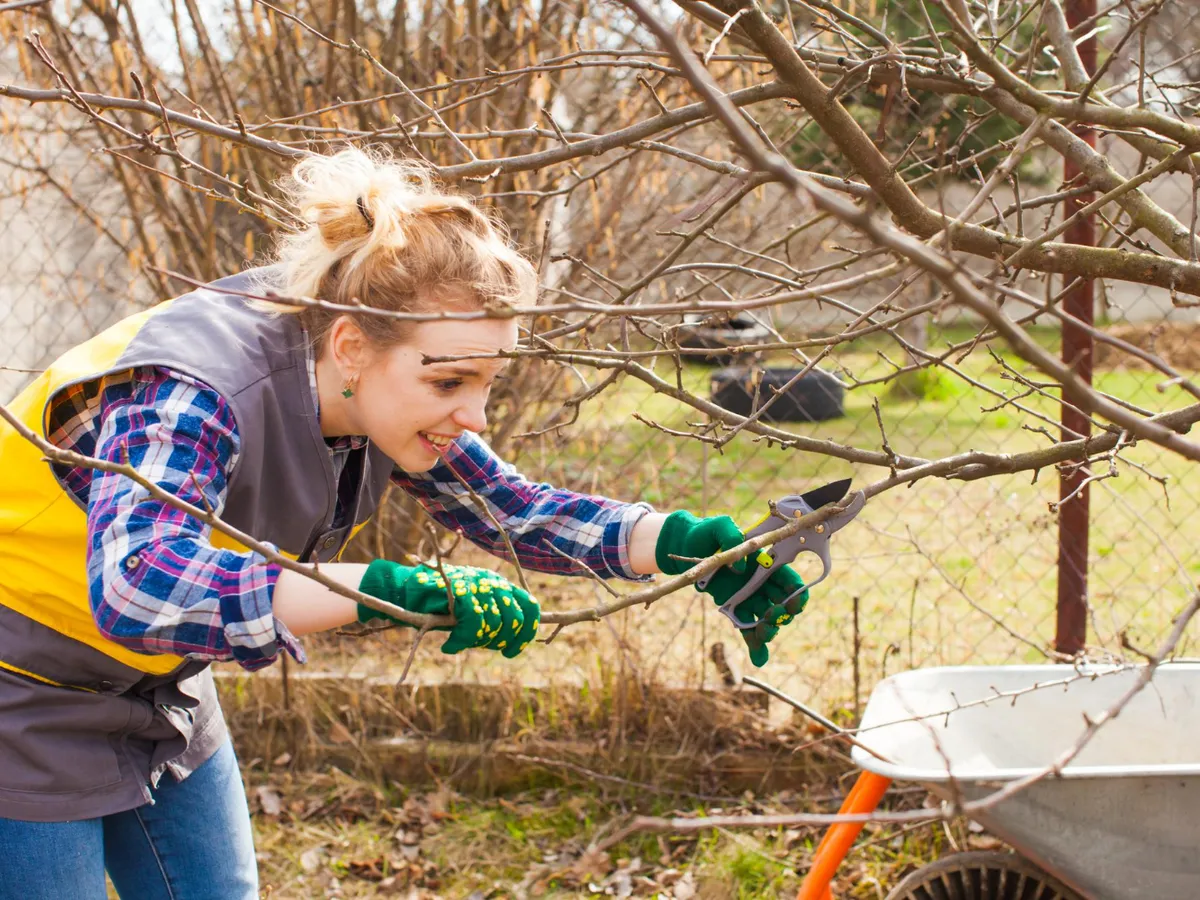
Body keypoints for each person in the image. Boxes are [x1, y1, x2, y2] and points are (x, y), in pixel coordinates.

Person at [0, 147, 809, 899]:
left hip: (158, 686)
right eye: (453, 380)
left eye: (486, 382)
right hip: (21, 687)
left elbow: (515, 512)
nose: (475, 414)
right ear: (351, 345)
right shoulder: (193, 392)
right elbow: (139, 582)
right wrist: (383, 590)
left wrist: (683, 545)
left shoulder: (379, 391)